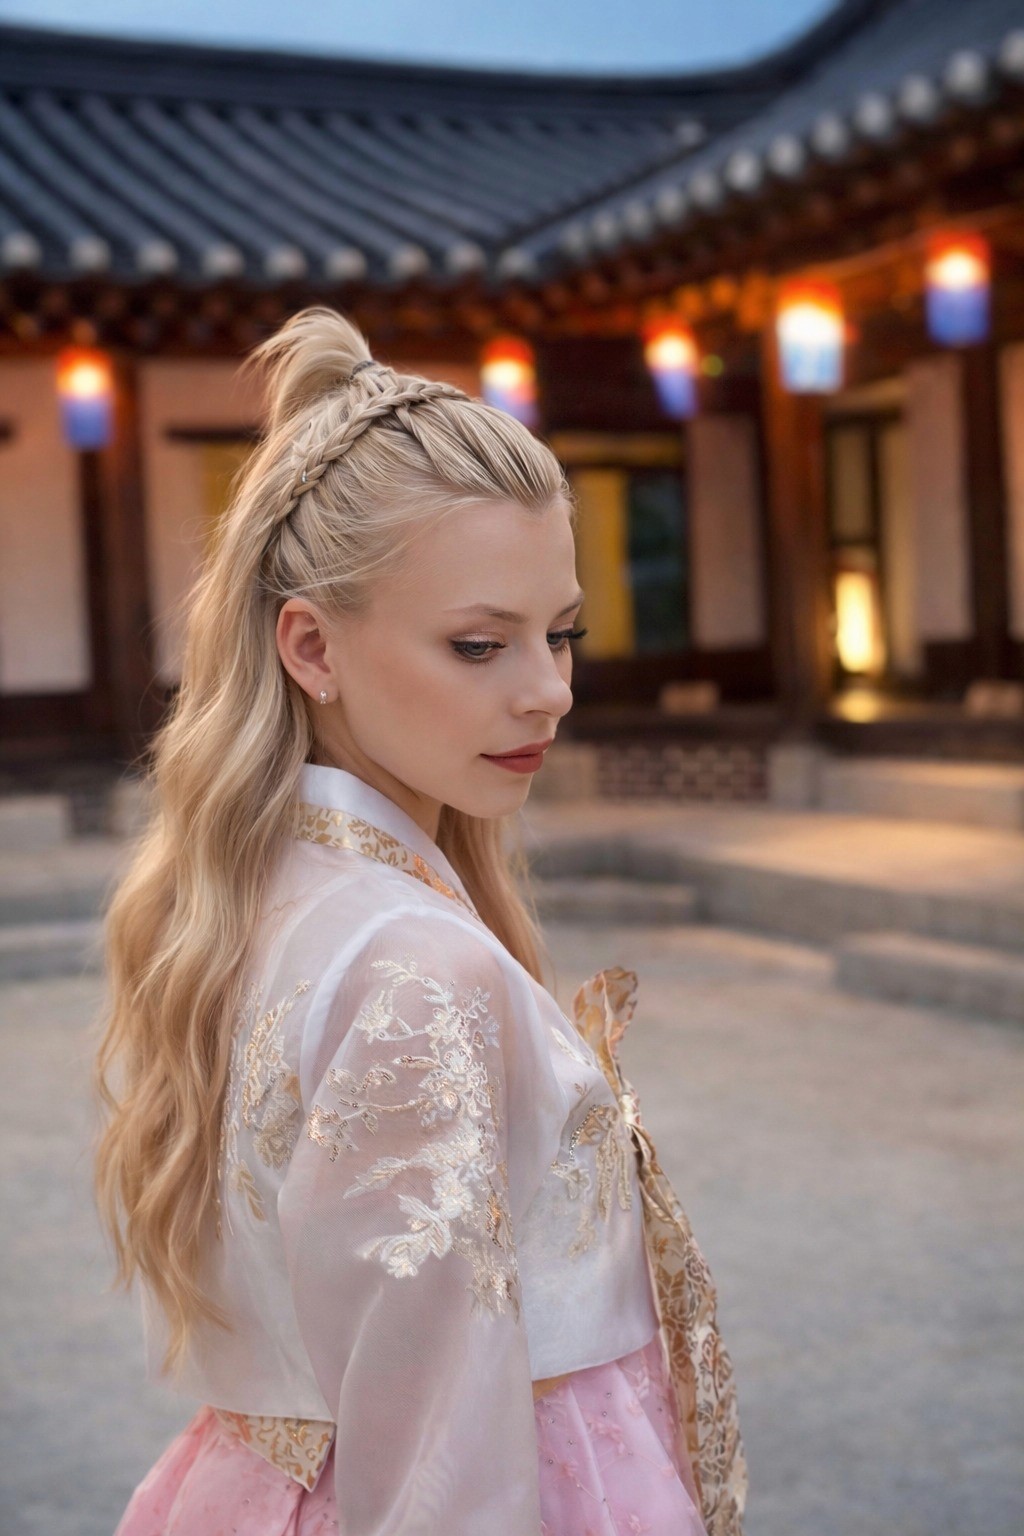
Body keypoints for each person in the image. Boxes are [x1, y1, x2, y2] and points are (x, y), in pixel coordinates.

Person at [93, 306, 745, 1535]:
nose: (548, 692)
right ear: (311, 647)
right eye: (478, 645)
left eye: (561, 636)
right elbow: (443, 1473)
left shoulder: (255, 899)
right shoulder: (413, 967)